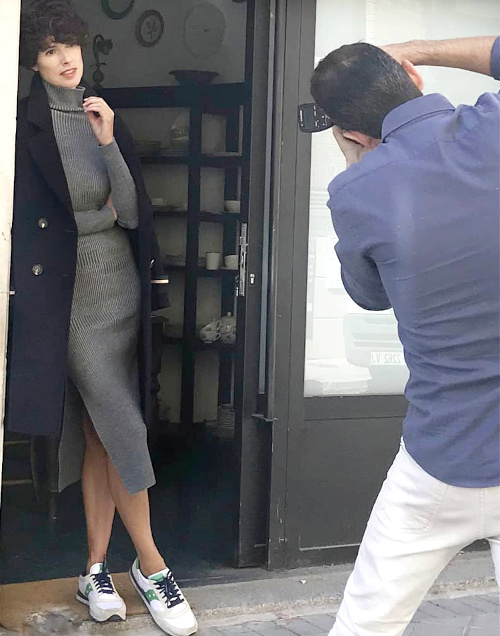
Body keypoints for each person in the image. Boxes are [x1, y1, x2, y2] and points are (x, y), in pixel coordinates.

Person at [7, 2, 198, 634]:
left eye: (70, 45)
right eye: (49, 50)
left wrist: (110, 140)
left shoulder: (101, 116)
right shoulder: (24, 126)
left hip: (121, 291)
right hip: (70, 298)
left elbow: (135, 214)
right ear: (33, 62)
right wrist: (100, 215)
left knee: (100, 436)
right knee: (125, 430)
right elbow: (43, 222)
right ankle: (151, 565)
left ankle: (94, 570)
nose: (65, 59)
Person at [310, 36, 500, 636]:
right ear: (413, 78)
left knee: (366, 624)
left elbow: (370, 295)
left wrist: (355, 168)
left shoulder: (357, 192)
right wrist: (419, 49)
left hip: (440, 456)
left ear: (351, 133)